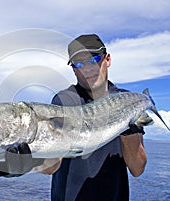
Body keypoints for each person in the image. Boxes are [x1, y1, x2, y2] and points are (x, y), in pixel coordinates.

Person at [49, 34, 147, 201]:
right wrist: (28, 158)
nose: (87, 68)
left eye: (94, 59)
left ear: (107, 59)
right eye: (79, 64)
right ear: (74, 69)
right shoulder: (64, 101)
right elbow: (50, 165)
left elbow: (137, 169)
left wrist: (129, 131)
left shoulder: (128, 100)